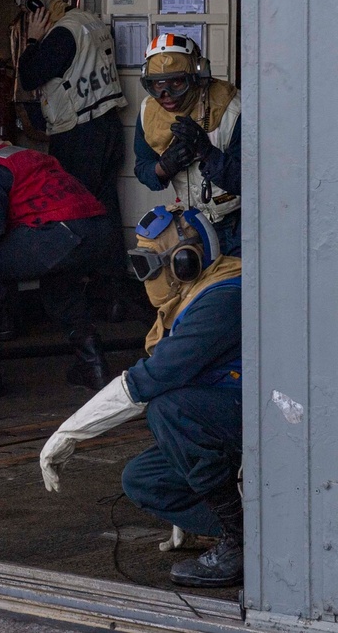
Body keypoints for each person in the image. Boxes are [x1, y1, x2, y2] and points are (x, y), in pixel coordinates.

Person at [39, 205, 243, 587]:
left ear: (184, 262)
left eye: (150, 263)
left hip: (271, 419)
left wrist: (70, 432)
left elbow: (151, 379)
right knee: (144, 479)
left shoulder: (224, 297)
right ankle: (242, 524)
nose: (144, 276)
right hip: (233, 420)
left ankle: (241, 542)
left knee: (169, 410)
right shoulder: (195, 294)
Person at [0, 113, 113, 391]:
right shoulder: (17, 155)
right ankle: (94, 366)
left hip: (59, 232)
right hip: (98, 230)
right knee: (59, 288)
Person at [15, 0, 127, 277]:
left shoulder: (62, 34)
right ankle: (112, 289)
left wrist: (33, 39)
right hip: (108, 125)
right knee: (106, 210)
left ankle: (77, 287)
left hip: (80, 133)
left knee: (75, 211)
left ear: (38, 7)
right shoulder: (89, 21)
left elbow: (29, 77)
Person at [135, 33, 242, 256]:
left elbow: (254, 181)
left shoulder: (233, 110)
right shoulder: (149, 112)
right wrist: (164, 167)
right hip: (193, 223)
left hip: (239, 223)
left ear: (199, 75)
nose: (166, 95)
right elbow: (142, 166)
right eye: (157, 85)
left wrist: (207, 153)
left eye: (177, 82)